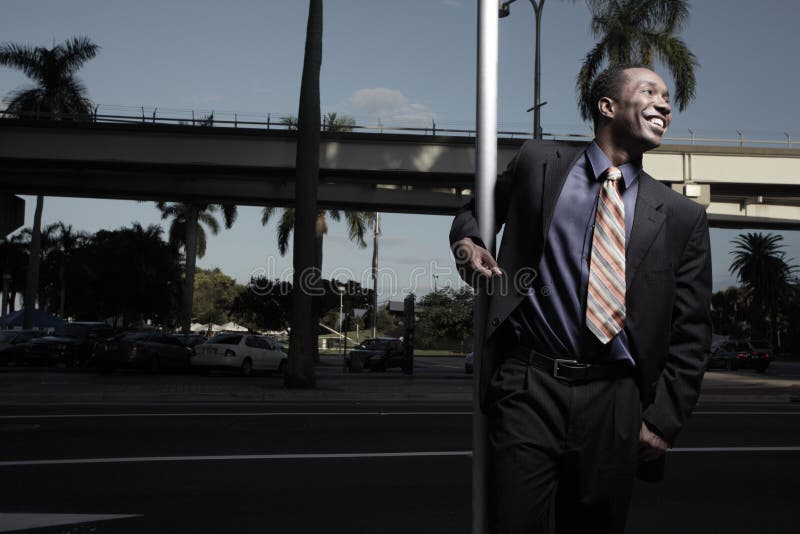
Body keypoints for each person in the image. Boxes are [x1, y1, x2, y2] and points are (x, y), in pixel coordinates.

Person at [450, 64, 711, 534]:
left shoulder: (680, 216)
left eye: (669, 96)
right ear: (607, 107)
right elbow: (476, 211)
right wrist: (467, 244)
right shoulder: (538, 162)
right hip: (530, 385)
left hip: (616, 400)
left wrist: (662, 420)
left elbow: (691, 330)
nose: (666, 104)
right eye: (650, 91)